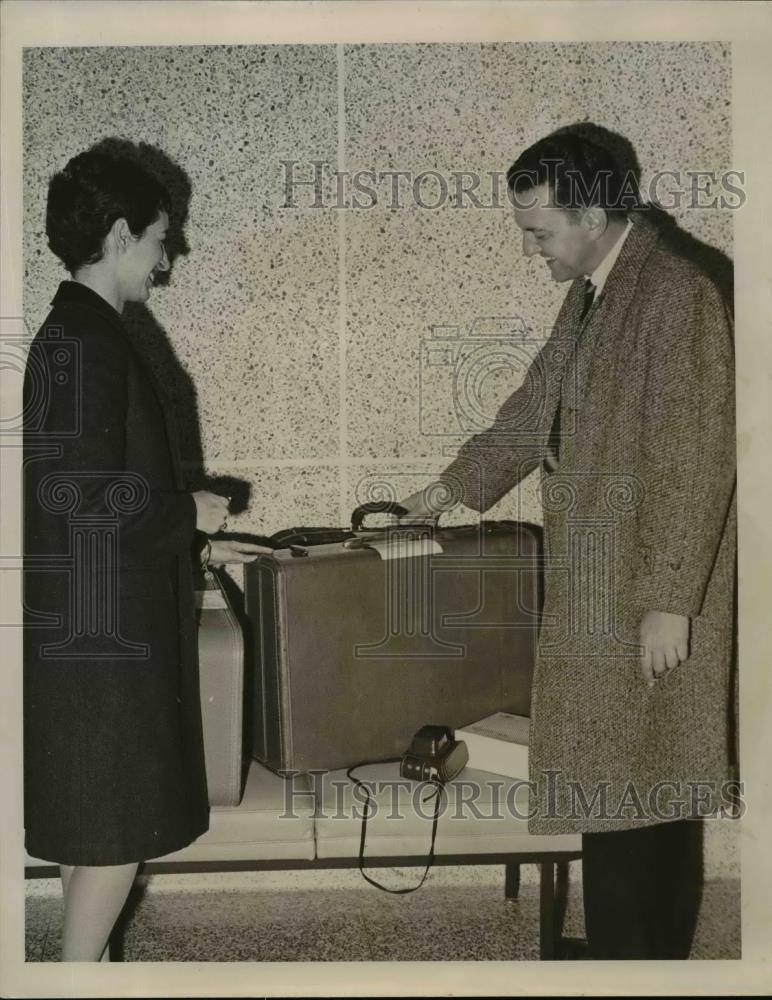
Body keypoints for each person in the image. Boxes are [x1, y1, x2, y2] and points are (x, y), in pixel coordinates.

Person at [399, 128, 737, 960]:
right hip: (606, 586)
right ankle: (639, 955)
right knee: (628, 788)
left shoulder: (677, 293)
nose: (529, 247)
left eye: (539, 231)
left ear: (592, 213)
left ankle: (636, 959)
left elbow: (696, 458)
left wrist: (668, 603)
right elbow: (530, 408)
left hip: (648, 590)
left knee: (640, 791)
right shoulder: (597, 288)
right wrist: (447, 490)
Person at [23, 146, 268, 961]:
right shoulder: (85, 340)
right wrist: (183, 509)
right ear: (122, 233)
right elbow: (75, 492)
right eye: (163, 238)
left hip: (97, 627)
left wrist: (193, 537)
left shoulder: (81, 330)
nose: (169, 257)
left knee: (98, 830)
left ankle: (78, 973)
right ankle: (73, 981)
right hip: (103, 643)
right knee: (112, 829)